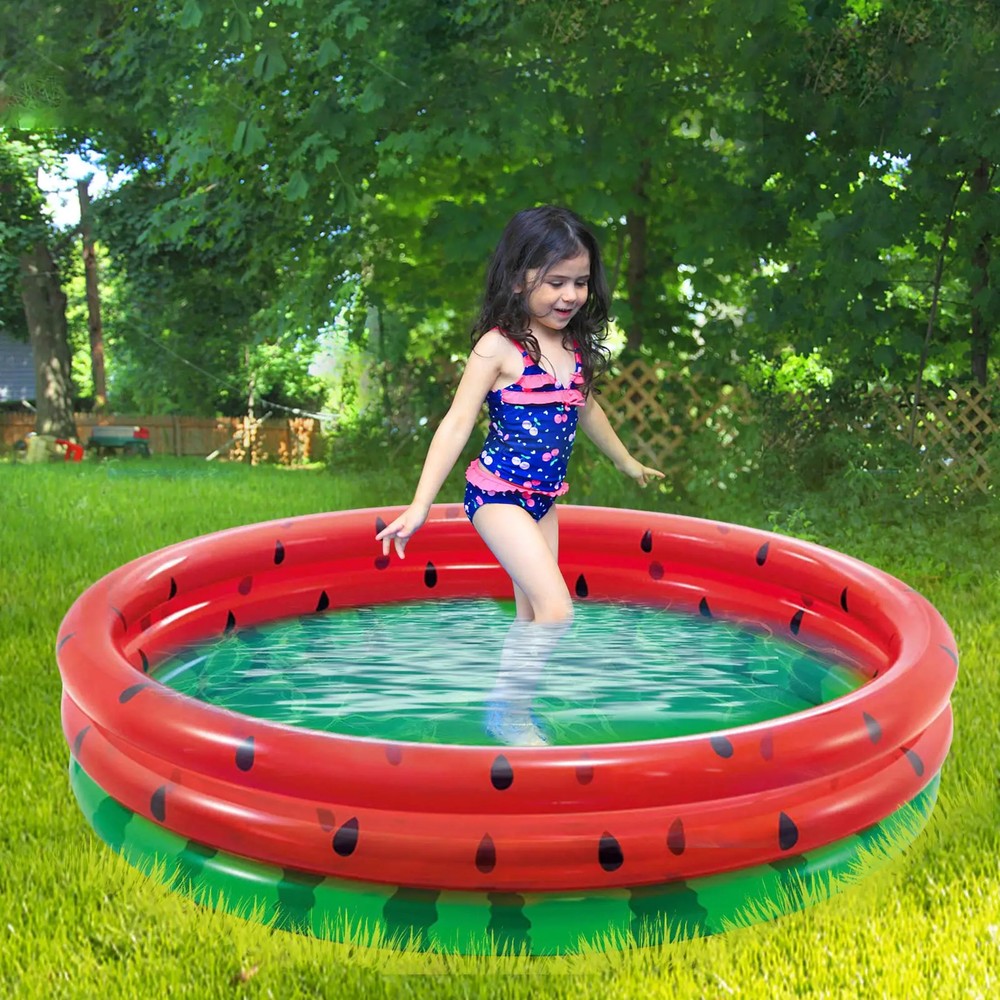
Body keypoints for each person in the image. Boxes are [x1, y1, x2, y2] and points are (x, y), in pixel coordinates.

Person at [376, 205, 664, 745]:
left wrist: (625, 460)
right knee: (557, 611)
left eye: (579, 282)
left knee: (532, 613)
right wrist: (419, 505)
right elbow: (457, 421)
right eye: (555, 281)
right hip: (498, 495)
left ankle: (508, 710)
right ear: (516, 279)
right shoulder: (498, 346)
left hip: (542, 500)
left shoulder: (573, 345)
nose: (569, 295)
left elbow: (586, 409)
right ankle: (507, 715)